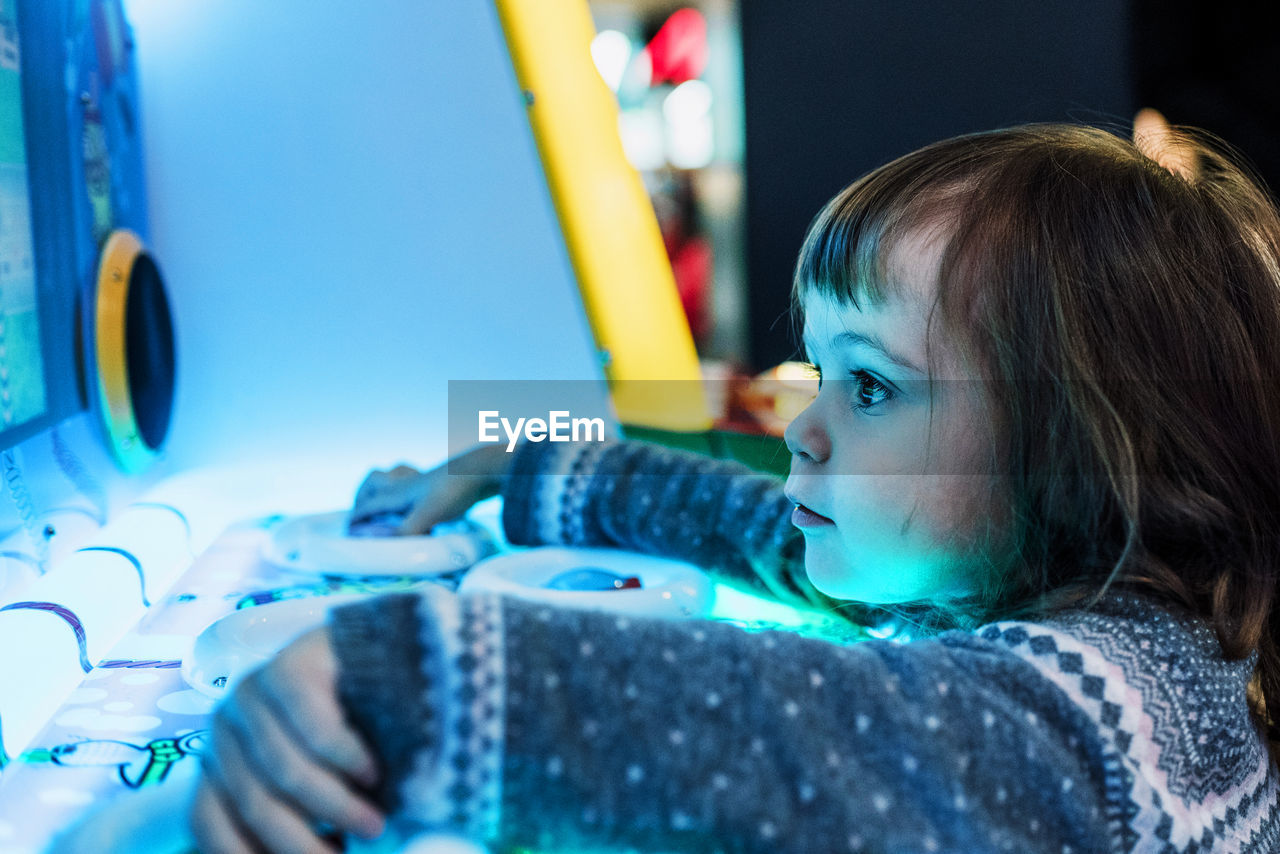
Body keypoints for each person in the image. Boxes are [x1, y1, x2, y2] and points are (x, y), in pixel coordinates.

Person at [189, 124, 1280, 852]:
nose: (804, 427)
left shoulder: (1112, 711)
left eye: (869, 384)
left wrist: (399, 673)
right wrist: (511, 462)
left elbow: (815, 735)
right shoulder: (1031, 577)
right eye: (819, 371)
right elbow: (759, 525)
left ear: (1082, 452)